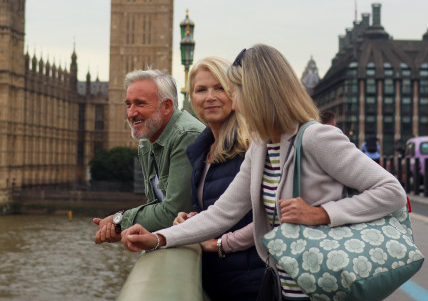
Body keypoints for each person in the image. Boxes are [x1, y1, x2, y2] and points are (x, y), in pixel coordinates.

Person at [119, 45, 407, 301]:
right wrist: (159, 238)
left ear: (257, 92)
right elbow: (222, 214)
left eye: (234, 91)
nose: (233, 100)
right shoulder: (261, 147)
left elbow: (392, 192)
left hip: (324, 287)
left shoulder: (315, 138)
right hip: (282, 287)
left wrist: (322, 214)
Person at [174, 56, 264, 301]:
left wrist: (223, 244)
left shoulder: (253, 145)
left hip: (254, 284)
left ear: (235, 95)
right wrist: (191, 218)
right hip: (220, 283)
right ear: (192, 98)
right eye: (201, 90)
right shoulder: (201, 152)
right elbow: (215, 210)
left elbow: (272, 216)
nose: (210, 97)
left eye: (220, 88)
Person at [93, 69, 204, 245]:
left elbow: (174, 213)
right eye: (128, 104)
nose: (131, 113)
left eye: (140, 104)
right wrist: (122, 228)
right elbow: (154, 204)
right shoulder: (147, 142)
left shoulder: (186, 137)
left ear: (167, 106)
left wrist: (120, 220)